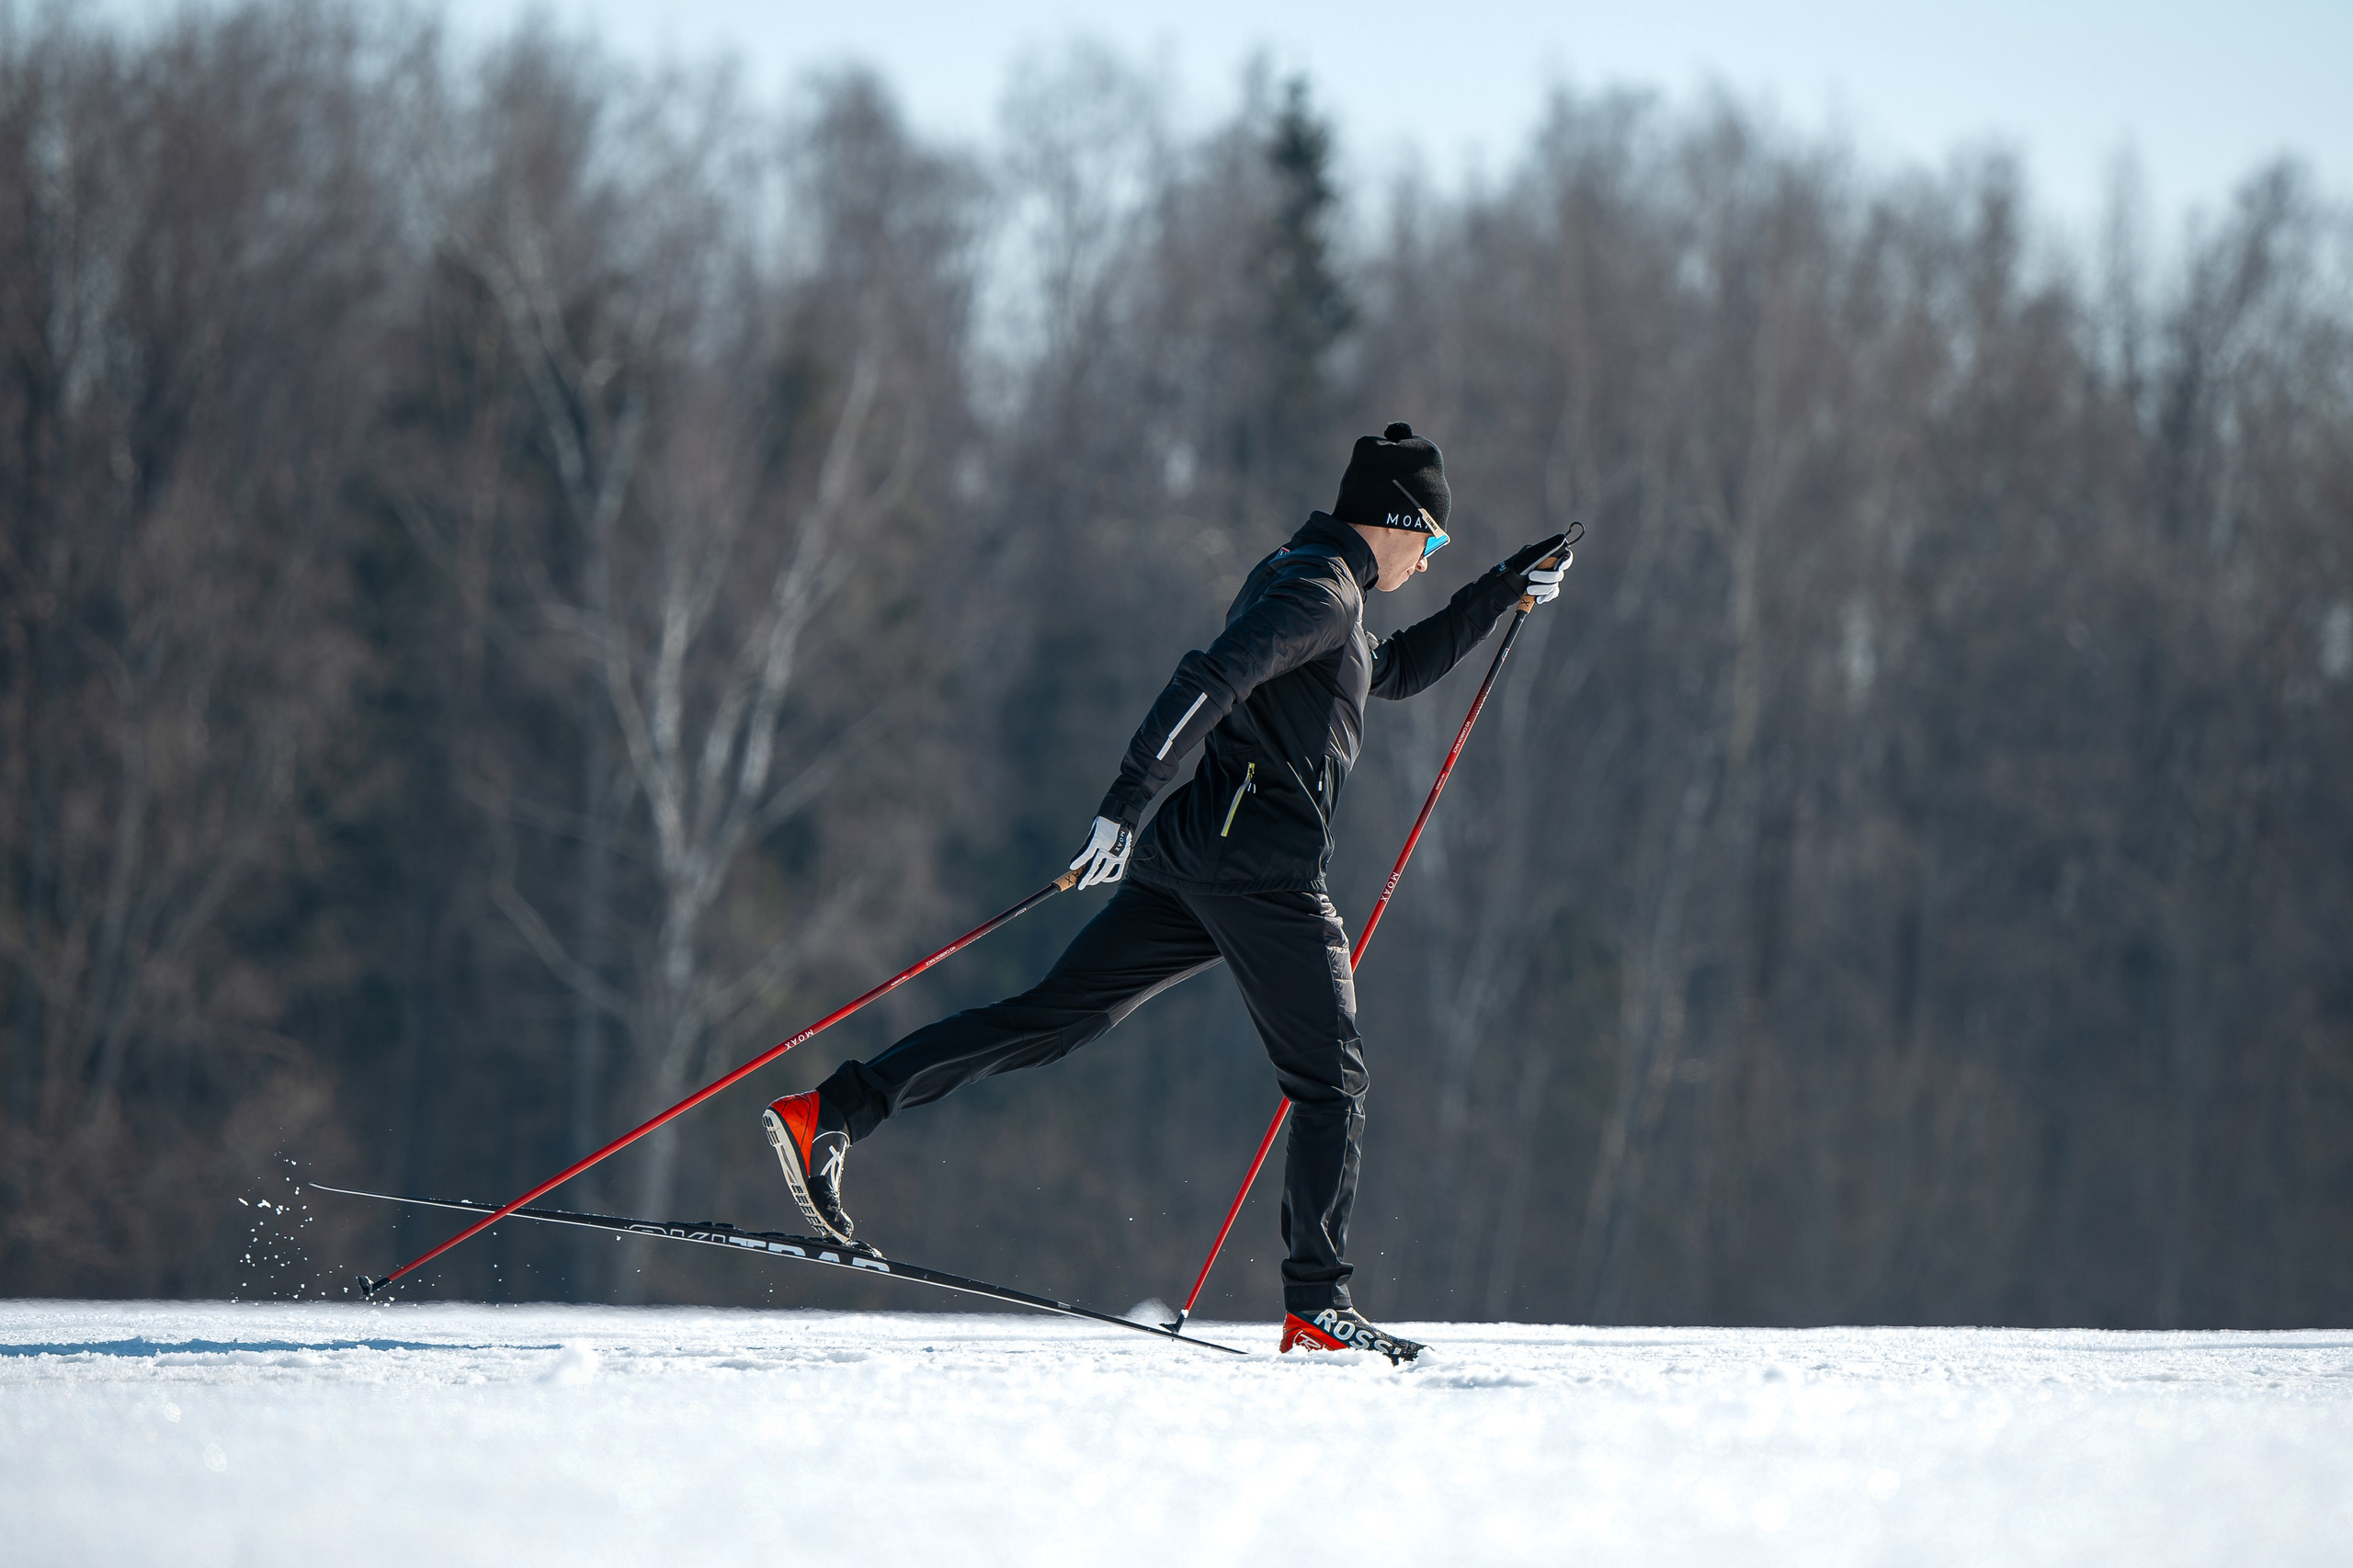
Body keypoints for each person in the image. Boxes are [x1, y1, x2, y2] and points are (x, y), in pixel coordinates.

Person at [762, 423, 1568, 1362]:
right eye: (1433, 541)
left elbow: (1387, 671)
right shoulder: (1318, 591)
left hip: (1195, 858)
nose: (1430, 561)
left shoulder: (1312, 581)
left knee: (1050, 1019)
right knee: (1333, 1081)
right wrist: (1122, 803)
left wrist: (1501, 588)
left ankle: (832, 1113)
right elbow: (1210, 677)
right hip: (1260, 872)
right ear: (1396, 521)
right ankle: (1318, 1306)